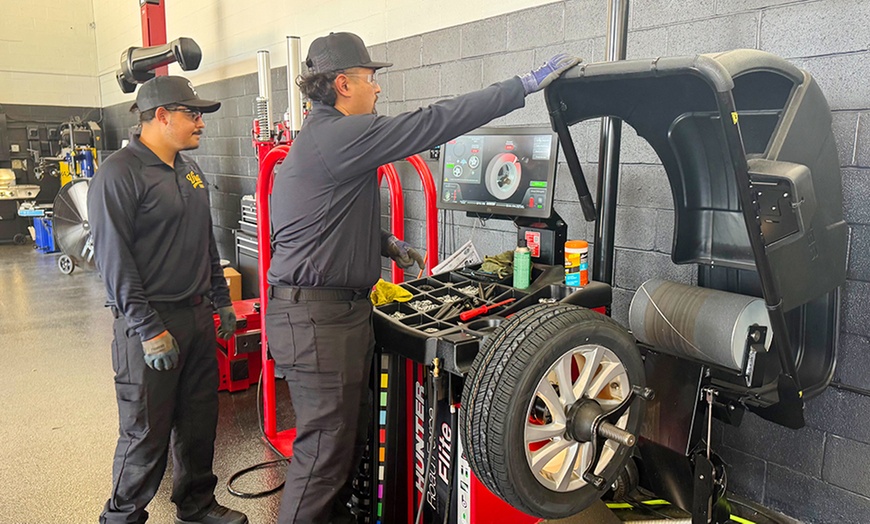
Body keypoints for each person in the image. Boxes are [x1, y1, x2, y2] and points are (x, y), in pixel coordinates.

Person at [265, 31, 579, 523]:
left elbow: (323, 217)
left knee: (348, 438)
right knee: (322, 455)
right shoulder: (341, 134)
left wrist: (389, 244)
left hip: (327, 313)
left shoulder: (324, 138)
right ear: (343, 83)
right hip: (318, 321)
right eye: (371, 78)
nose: (378, 89)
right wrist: (521, 86)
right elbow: (435, 121)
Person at [88, 75, 247, 524]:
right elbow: (114, 261)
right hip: (149, 328)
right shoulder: (118, 174)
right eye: (192, 114)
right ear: (160, 116)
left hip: (197, 319)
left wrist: (220, 301)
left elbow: (206, 245)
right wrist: (149, 329)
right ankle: (121, 517)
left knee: (199, 424)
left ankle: (196, 505)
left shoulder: (190, 171)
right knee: (145, 434)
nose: (201, 123)